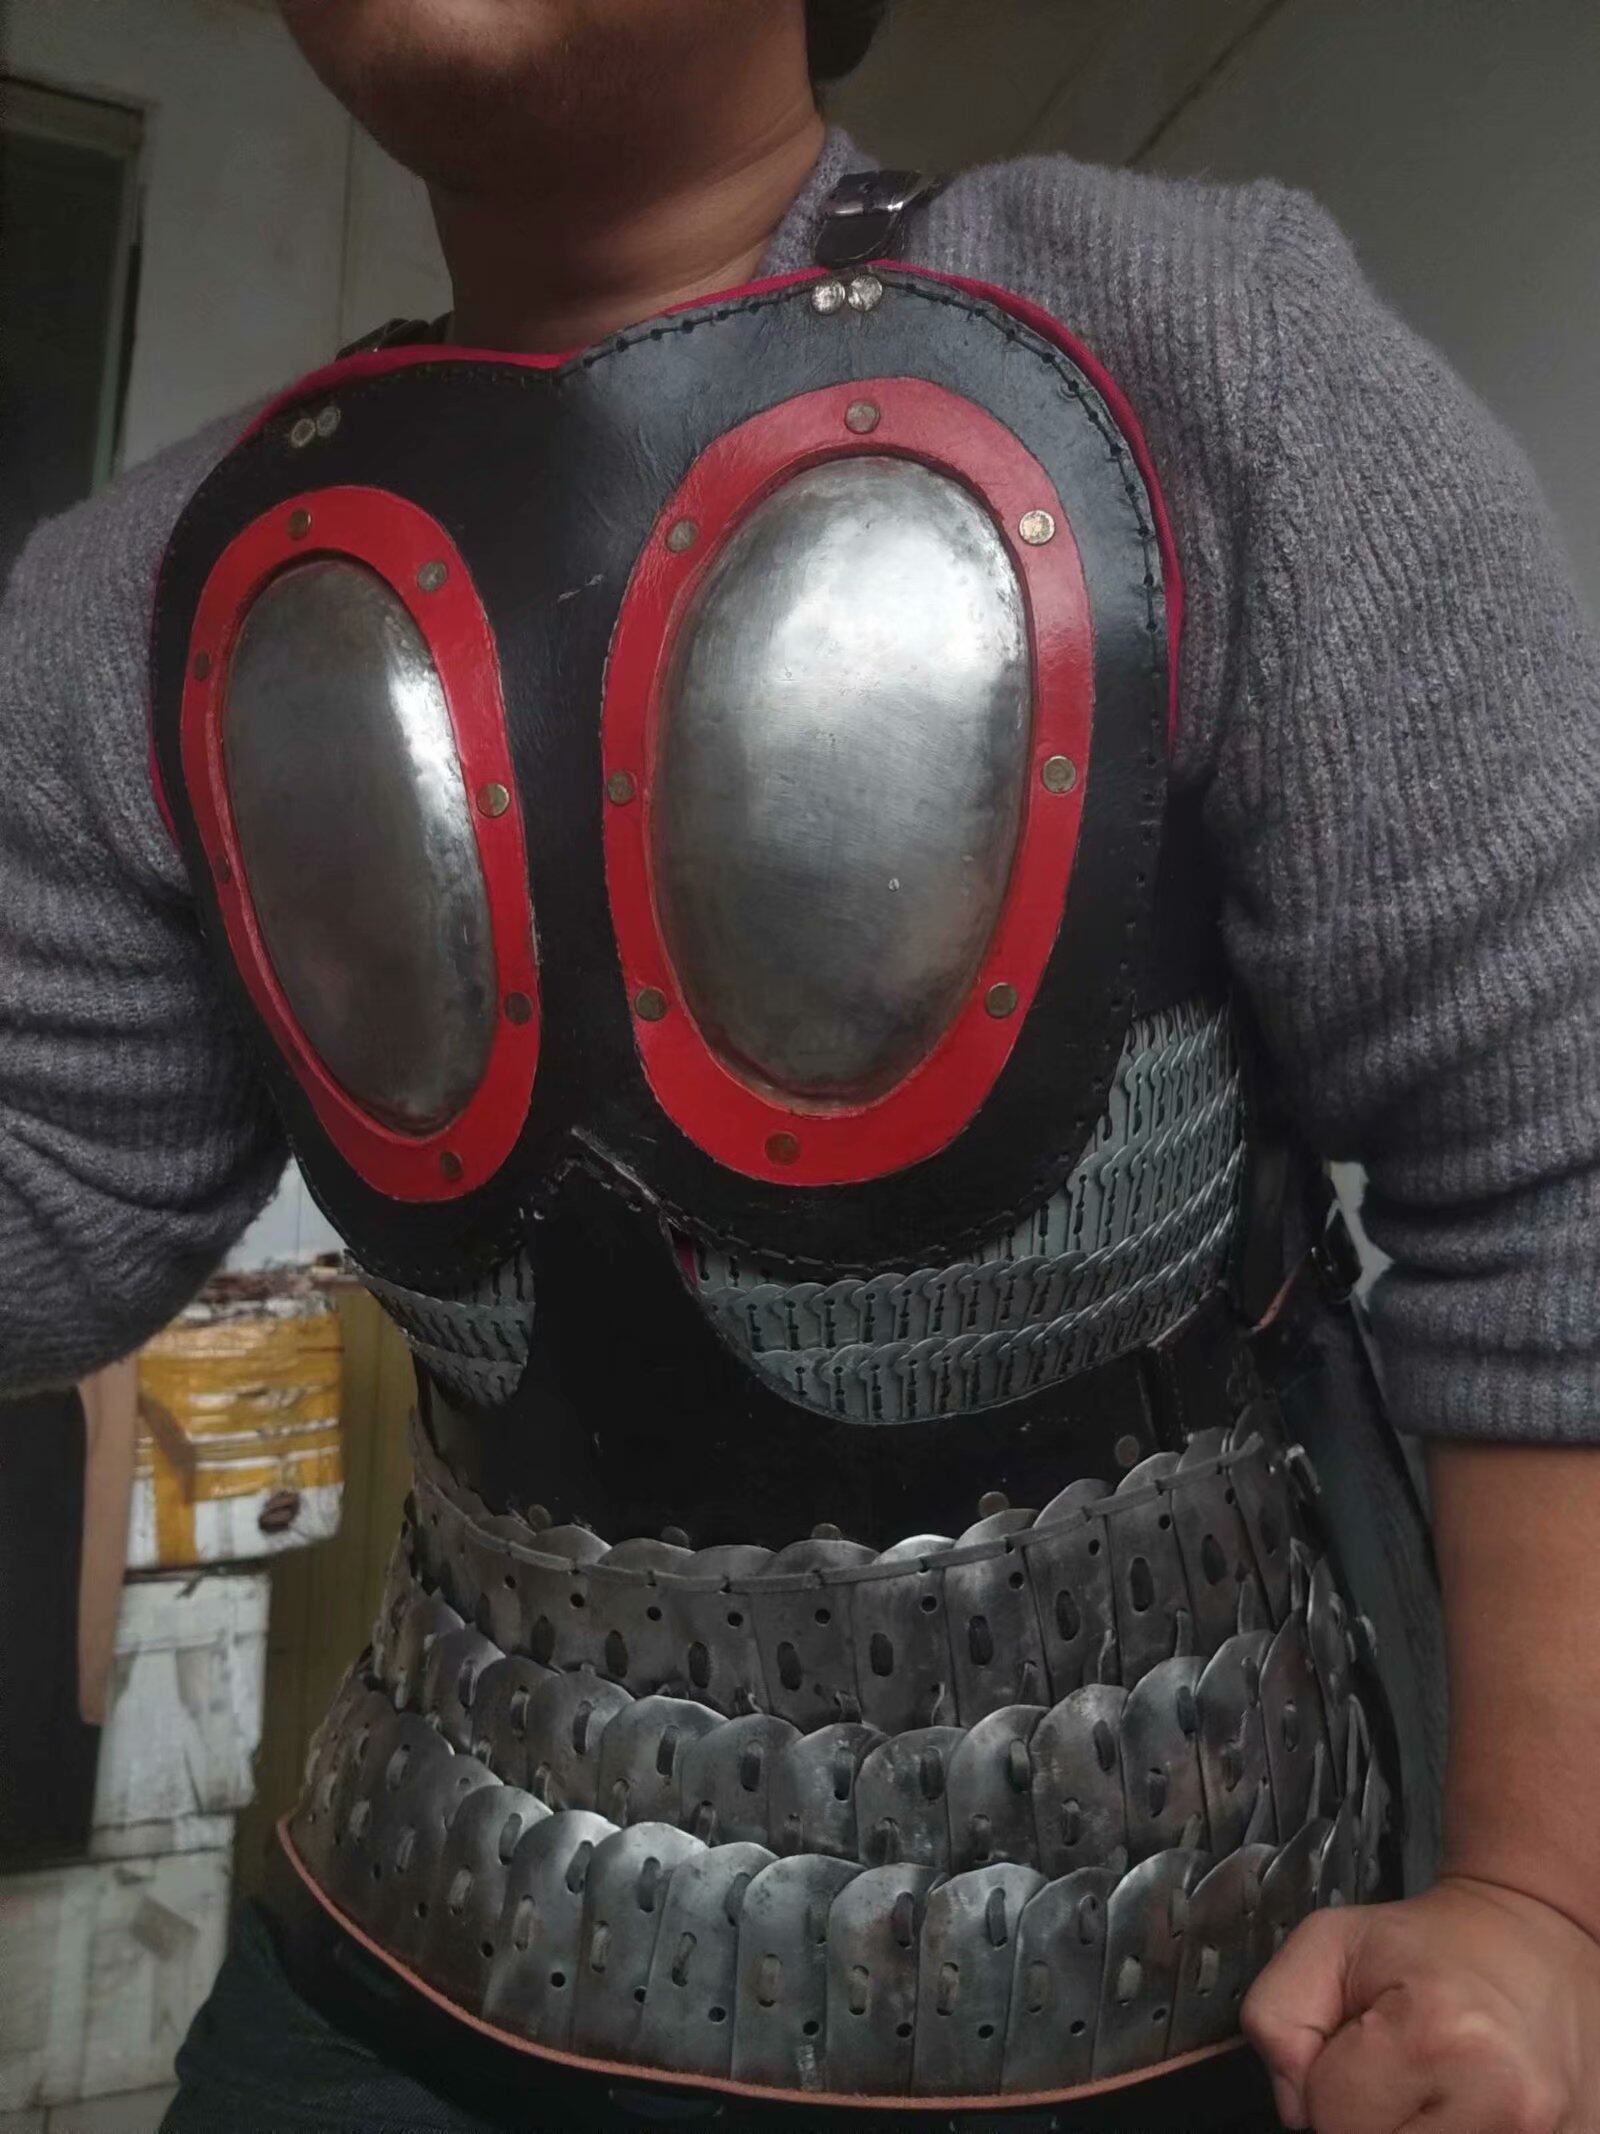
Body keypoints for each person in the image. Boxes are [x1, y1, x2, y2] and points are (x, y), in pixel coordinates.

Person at [3, 2, 1600, 2128]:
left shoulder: (1209, 345)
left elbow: (1550, 1150)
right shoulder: (129, 596)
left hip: (1193, 1959)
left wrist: (1539, 1897)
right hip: (409, 1944)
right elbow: (48, 1208)